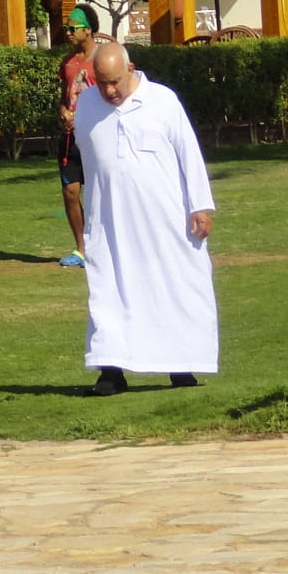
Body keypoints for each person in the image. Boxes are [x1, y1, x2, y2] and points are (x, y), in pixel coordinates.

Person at [73, 40, 218, 395]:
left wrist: (200, 205)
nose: (110, 90)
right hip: (109, 222)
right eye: (102, 83)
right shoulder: (87, 105)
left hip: (165, 220)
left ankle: (182, 365)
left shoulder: (163, 101)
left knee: (174, 285)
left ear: (130, 69)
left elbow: (188, 152)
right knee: (109, 292)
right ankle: (111, 371)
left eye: (115, 82)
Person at [55, 6, 104, 268]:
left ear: (88, 29)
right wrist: (63, 111)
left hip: (98, 138)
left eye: (73, 28)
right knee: (71, 192)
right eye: (67, 28)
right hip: (69, 140)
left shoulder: (104, 60)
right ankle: (82, 249)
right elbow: (64, 97)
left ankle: (103, 248)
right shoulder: (68, 62)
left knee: (101, 194)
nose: (68, 32)